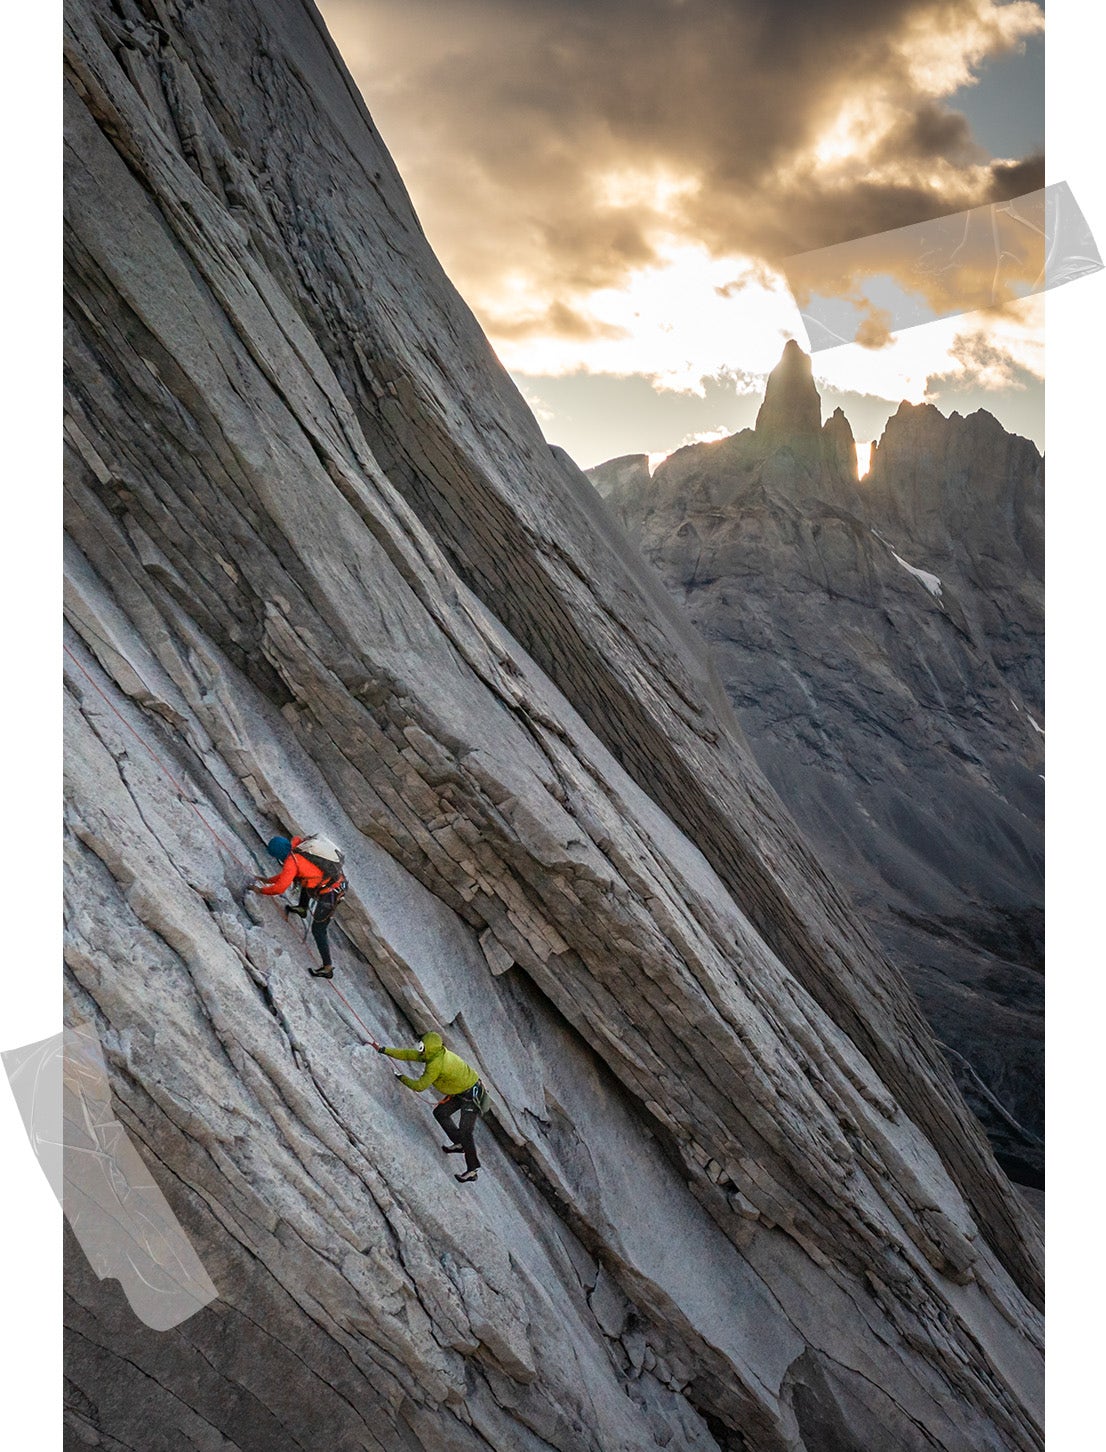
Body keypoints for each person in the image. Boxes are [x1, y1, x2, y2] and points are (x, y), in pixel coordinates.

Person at [378, 1032, 485, 1182]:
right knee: (441, 1113)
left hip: (472, 1094)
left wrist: (400, 1077)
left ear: (429, 1048)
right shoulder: (432, 1053)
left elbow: (420, 1086)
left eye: (422, 1046)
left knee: (466, 1131)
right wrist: (384, 1050)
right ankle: (459, 1143)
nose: (420, 1049)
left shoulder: (436, 1063)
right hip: (461, 1092)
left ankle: (472, 1170)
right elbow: (409, 1054)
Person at [251, 834, 345, 979]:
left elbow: (280, 887)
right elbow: (288, 876)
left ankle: (327, 967)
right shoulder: (298, 850)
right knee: (305, 880)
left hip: (331, 893)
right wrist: (267, 880)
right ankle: (302, 908)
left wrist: (261, 890)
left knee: (318, 929)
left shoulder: (292, 861)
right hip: (337, 882)